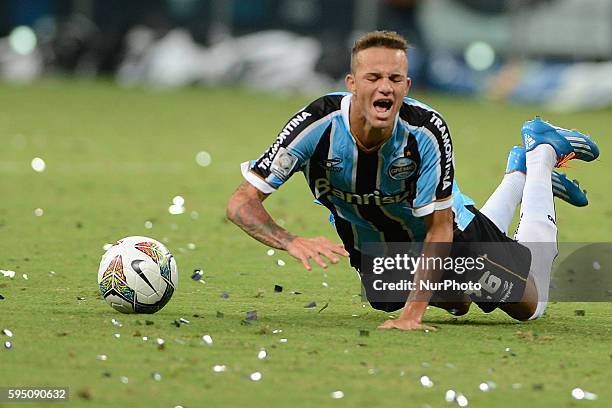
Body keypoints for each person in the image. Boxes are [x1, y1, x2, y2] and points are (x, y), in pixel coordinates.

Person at [226, 31, 599, 330]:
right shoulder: (315, 126)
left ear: (407, 85)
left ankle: (540, 157)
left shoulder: (426, 130)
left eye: (394, 79)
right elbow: (241, 203)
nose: (384, 88)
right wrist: (289, 241)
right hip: (378, 250)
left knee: (530, 306)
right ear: (352, 84)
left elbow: (439, 229)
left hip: (452, 232)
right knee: (457, 302)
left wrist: (412, 315)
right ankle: (516, 173)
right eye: (373, 78)